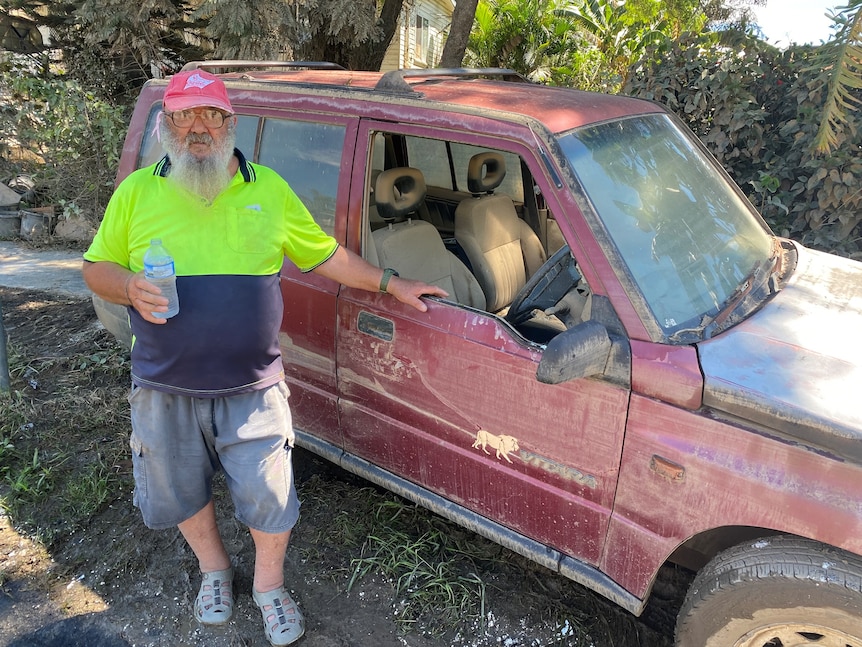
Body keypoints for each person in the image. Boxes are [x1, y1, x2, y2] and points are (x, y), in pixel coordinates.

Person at [82, 68, 447, 647]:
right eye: (183, 117)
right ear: (166, 125)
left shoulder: (269, 189)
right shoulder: (137, 193)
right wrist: (127, 286)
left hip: (253, 387)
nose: (196, 128)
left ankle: (269, 587)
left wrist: (389, 282)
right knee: (179, 491)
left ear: (230, 123)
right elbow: (95, 268)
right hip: (163, 386)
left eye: (209, 116)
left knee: (271, 496)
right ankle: (215, 572)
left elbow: (325, 256)